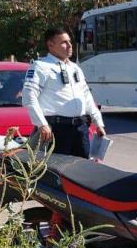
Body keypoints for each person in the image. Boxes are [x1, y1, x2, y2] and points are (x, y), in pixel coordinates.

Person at [22, 28, 106, 157]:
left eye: (70, 41)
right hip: (57, 130)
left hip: (80, 129)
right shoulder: (40, 66)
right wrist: (41, 124)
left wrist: (98, 122)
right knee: (58, 172)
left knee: (82, 171)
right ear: (50, 45)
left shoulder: (75, 68)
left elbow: (87, 97)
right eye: (64, 42)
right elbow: (29, 97)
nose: (70, 45)